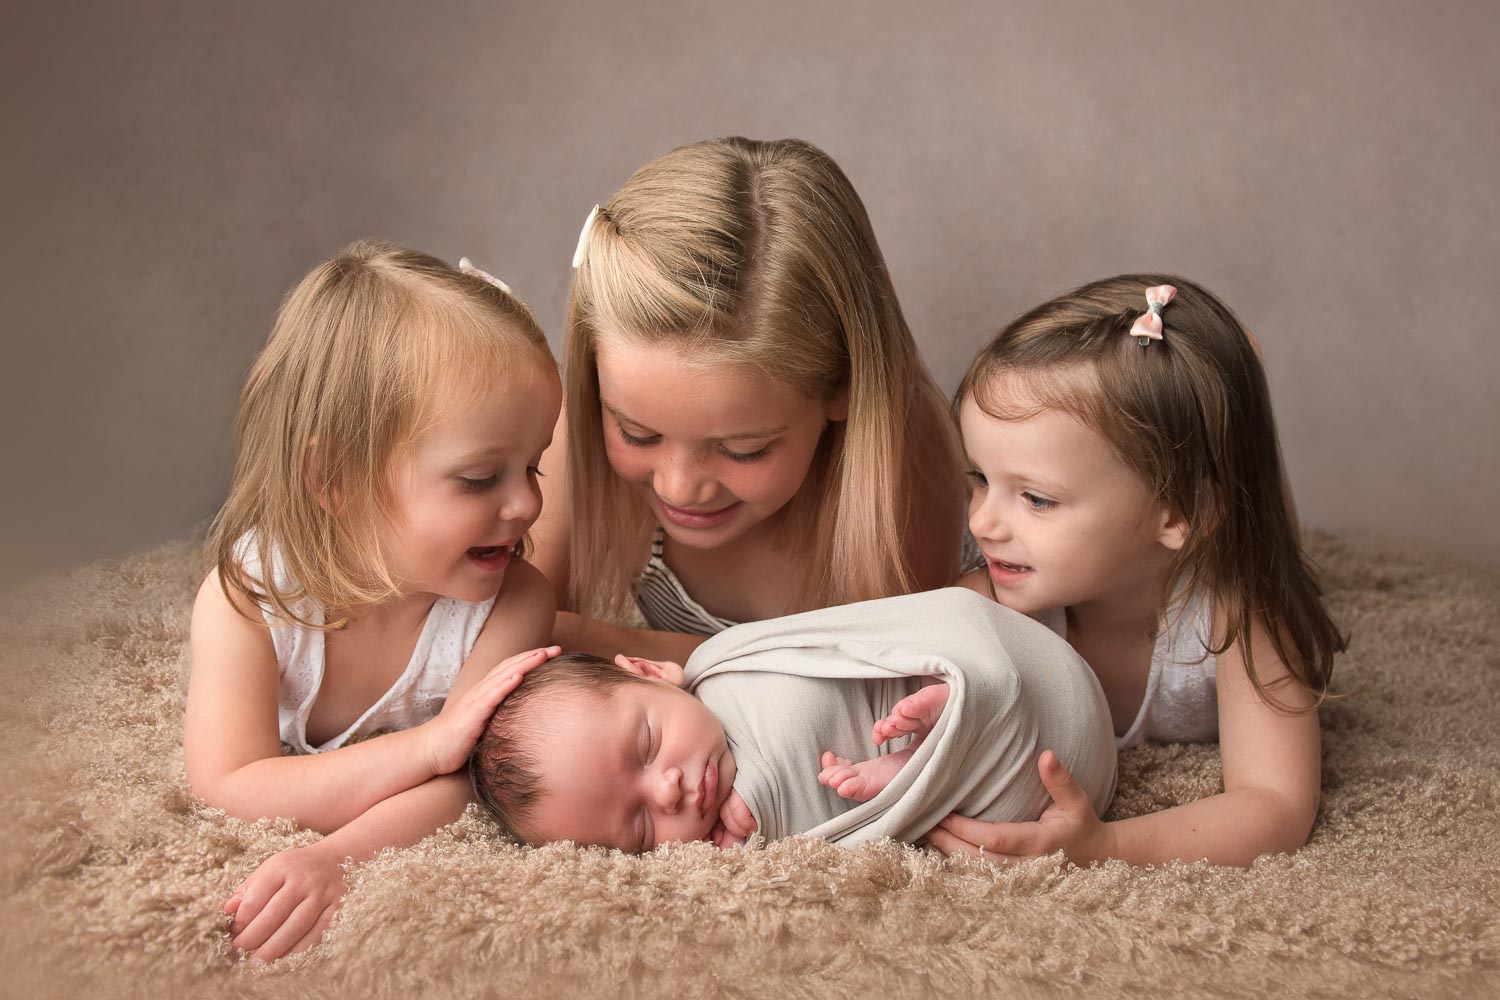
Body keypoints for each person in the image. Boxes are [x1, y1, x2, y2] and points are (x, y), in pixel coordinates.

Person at [184, 242, 562, 961]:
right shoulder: (248, 598)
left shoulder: (514, 603)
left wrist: (338, 857)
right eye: (482, 478)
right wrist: (424, 745)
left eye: (534, 465)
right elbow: (229, 783)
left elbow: (468, 780)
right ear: (337, 479)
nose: (528, 503)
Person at [928, 275, 1346, 868]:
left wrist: (1106, 845)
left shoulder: (1235, 611)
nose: (983, 523)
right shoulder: (992, 592)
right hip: (1192, 512)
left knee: (1269, 525)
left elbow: (1276, 804)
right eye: (979, 479)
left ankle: (1237, 381)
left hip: (1211, 544)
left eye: (1036, 499)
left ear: (1176, 514)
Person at [529, 137, 967, 662]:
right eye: (637, 434)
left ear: (845, 386)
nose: (679, 487)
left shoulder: (903, 467)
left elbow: (861, 690)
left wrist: (582, 635)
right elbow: (500, 642)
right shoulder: (565, 432)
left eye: (743, 449)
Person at [469, 587, 1117, 852]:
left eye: (647, 745)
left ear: (647, 671)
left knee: (941, 657)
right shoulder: (725, 833)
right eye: (640, 828)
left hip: (1027, 667)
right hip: (1028, 786)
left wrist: (760, 800)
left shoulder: (727, 663)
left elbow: (839, 658)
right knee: (958, 835)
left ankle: (947, 706)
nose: (667, 790)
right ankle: (926, 753)